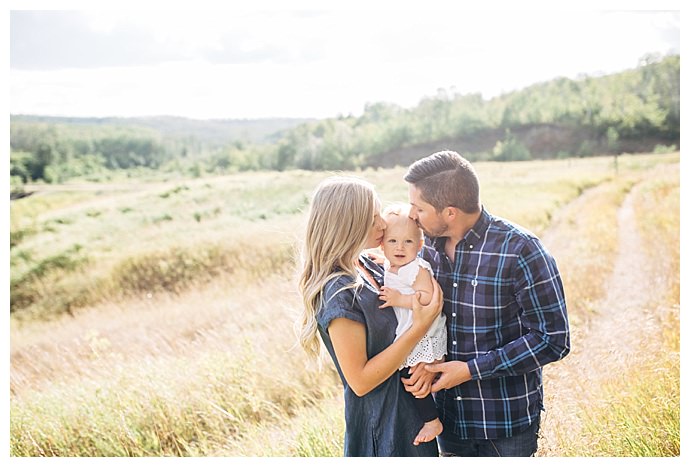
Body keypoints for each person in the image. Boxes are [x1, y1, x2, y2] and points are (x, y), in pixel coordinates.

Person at [401, 150, 570, 457]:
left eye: (419, 208)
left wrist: (470, 370)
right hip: (448, 422)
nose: (411, 215)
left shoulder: (521, 250)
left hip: (504, 425)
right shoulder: (423, 253)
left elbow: (553, 340)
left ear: (450, 212)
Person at [297, 176, 444, 457]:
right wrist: (420, 326)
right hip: (383, 432)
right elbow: (361, 381)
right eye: (373, 216)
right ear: (348, 224)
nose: (382, 224)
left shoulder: (367, 265)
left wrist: (428, 360)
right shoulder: (338, 292)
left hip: (411, 415)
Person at [378, 203, 447, 446]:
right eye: (392, 241)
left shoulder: (416, 269)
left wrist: (400, 299)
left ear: (419, 246)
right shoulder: (393, 265)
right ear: (382, 244)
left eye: (408, 242)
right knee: (411, 375)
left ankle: (432, 420)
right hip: (413, 330)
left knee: (414, 376)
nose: (399, 247)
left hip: (425, 333)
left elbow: (427, 299)